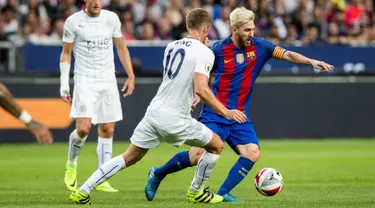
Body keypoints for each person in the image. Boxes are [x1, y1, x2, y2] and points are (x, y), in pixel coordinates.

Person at [145, 7, 334, 203]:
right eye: (246, 30)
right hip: (215, 113)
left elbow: (287, 55)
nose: (251, 34)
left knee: (252, 152)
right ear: (234, 29)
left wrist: (311, 61)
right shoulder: (217, 50)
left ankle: (223, 193)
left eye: (252, 29)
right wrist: (198, 96)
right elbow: (204, 77)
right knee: (197, 156)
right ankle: (158, 173)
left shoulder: (261, 47)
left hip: (239, 116)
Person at [68, 8, 247, 205]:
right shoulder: (204, 52)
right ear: (206, 28)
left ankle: (84, 189)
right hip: (175, 118)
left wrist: (193, 96)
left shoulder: (171, 46)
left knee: (129, 156)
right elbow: (202, 89)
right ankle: (196, 191)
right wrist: (225, 111)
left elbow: (182, 82)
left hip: (154, 112)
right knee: (216, 146)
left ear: (188, 26)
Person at [59, 0, 135, 193]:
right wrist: (64, 84)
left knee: (108, 129)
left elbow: (121, 47)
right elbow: (66, 53)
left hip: (107, 79)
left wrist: (131, 75)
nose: (97, 2)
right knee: (83, 129)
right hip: (84, 79)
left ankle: (102, 177)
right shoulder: (73, 21)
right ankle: (72, 162)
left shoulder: (111, 19)